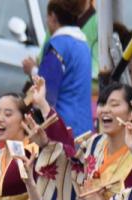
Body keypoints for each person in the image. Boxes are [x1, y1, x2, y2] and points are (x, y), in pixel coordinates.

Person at [21, 0, 93, 139]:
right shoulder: (83, 45)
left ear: (53, 16)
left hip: (62, 127)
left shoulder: (58, 45)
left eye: (47, 16)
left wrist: (32, 72)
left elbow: (45, 91)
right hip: (84, 126)